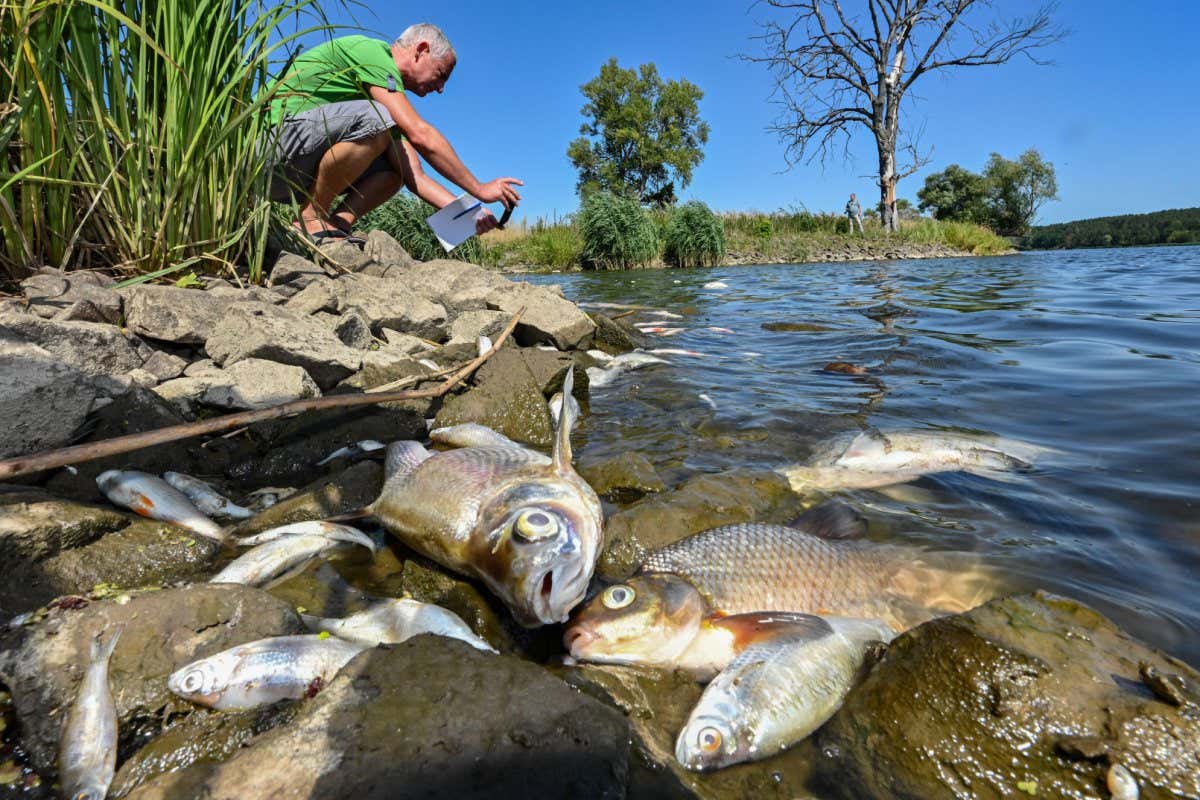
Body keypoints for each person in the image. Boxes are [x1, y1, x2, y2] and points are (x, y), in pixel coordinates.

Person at [263, 24, 522, 243]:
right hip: (266, 152)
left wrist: (470, 215)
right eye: (441, 75)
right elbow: (420, 134)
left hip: (292, 168)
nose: (441, 88)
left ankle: (337, 225)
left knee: (397, 167)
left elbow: (415, 176)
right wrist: (480, 189)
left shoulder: (381, 104)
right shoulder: (372, 53)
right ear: (421, 50)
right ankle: (310, 217)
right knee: (375, 117)